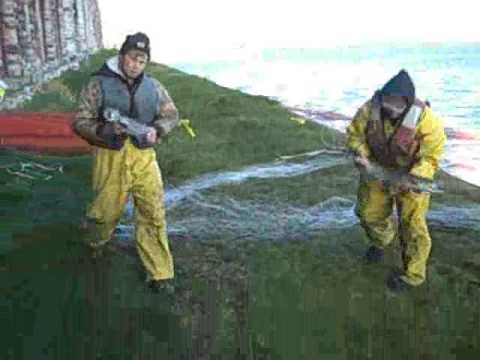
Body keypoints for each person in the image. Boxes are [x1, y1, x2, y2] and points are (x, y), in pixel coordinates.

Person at [73, 32, 179, 292]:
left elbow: (172, 114)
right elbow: (80, 121)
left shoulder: (154, 87)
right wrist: (103, 132)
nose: (135, 65)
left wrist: (159, 129)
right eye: (132, 58)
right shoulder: (97, 84)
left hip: (144, 155)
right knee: (105, 212)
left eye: (141, 61)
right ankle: (95, 243)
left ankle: (160, 273)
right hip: (110, 155)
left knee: (152, 211)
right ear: (122, 56)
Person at [346, 69, 446, 292]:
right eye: (387, 102)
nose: (391, 108)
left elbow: (432, 155)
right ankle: (382, 240)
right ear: (382, 97)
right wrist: (360, 153)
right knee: (367, 214)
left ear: (408, 104)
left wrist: (417, 177)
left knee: (413, 227)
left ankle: (413, 275)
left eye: (397, 104)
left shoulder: (427, 121)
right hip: (376, 171)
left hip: (412, 177)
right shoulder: (368, 110)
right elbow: (354, 135)